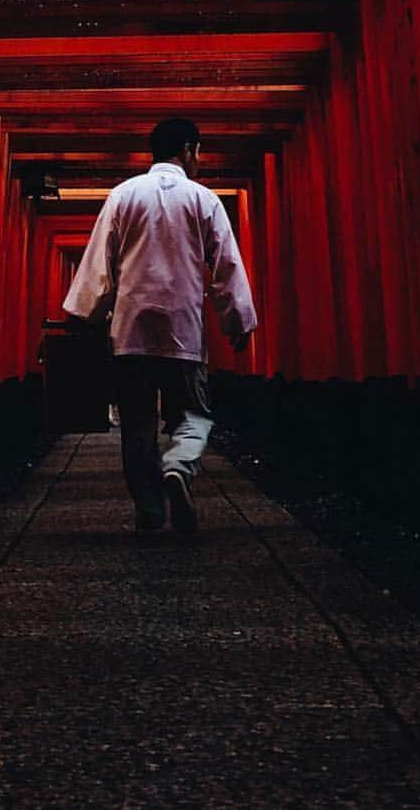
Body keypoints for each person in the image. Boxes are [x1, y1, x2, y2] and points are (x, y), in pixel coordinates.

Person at [63, 118, 257, 537]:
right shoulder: (203, 200)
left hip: (131, 330)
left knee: (136, 422)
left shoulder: (123, 196)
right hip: (184, 327)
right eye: (199, 151)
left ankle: (150, 511)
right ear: (188, 150)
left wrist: (82, 312)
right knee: (194, 414)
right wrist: (238, 319)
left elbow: (101, 261)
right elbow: (226, 265)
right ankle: (179, 466)